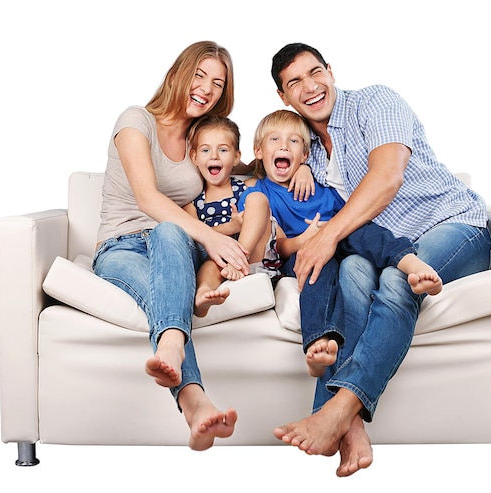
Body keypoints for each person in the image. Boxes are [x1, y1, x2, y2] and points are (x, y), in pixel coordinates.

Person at [269, 43, 491, 477]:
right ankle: (352, 431)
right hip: (386, 247)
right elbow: (260, 167)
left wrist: (327, 236)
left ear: (331, 71)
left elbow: (387, 175)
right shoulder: (307, 151)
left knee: (395, 280)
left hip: (453, 226)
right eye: (295, 82)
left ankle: (338, 410)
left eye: (316, 72)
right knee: (352, 269)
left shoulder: (375, 102)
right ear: (283, 97)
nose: (310, 87)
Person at [92, 41, 250, 451]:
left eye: (218, 83)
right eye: (200, 75)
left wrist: (296, 162)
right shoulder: (135, 121)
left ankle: (173, 354)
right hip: (122, 246)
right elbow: (148, 199)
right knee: (165, 273)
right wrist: (213, 236)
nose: (207, 89)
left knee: (169, 235)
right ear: (177, 73)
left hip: (176, 246)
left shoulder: (202, 137)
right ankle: (194, 399)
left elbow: (240, 165)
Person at [238, 109, 442, 378]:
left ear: (305, 156)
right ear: (259, 151)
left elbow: (352, 217)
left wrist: (328, 230)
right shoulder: (258, 193)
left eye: (294, 141)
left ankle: (410, 262)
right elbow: (275, 248)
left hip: (337, 239)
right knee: (315, 274)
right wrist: (304, 240)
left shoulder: (323, 188)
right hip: (298, 255)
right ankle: (317, 344)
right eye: (274, 139)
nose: (284, 145)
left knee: (362, 231)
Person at [183, 115, 279, 317]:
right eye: (205, 150)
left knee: (258, 199)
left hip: (251, 255)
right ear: (194, 157)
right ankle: (204, 294)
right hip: (219, 260)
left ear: (236, 157)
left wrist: (303, 169)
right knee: (211, 265)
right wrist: (231, 227)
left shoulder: (247, 187)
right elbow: (194, 238)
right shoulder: (193, 203)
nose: (214, 156)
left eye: (223, 150)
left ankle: (239, 260)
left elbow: (275, 172)